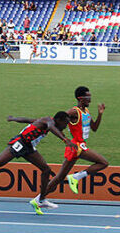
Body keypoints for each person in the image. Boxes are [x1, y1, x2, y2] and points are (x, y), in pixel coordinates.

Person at [0, 112, 75, 212]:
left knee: (46, 170)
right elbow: (51, 127)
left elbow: (27, 120)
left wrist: (14, 119)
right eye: (65, 123)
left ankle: (41, 200)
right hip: (20, 143)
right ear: (58, 120)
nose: (65, 126)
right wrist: (65, 140)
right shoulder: (49, 121)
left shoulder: (43, 121)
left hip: (28, 147)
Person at [35, 86, 108, 214]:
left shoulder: (86, 111)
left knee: (59, 178)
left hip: (78, 146)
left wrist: (100, 114)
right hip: (77, 145)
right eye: (88, 97)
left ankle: (38, 199)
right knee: (103, 163)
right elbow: (55, 121)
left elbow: (94, 128)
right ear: (80, 98)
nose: (90, 99)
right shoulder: (73, 112)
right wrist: (62, 136)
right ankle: (76, 177)